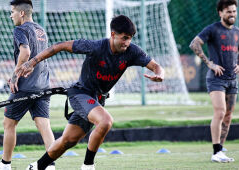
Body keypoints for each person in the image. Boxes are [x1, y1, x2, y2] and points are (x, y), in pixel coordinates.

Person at [14, 15, 165, 170]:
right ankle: (88, 166)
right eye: (124, 38)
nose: (127, 42)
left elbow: (155, 66)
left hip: (96, 100)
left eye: (130, 38)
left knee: (68, 141)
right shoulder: (95, 46)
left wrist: (160, 74)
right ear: (113, 34)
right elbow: (60, 46)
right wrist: (32, 62)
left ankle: (37, 166)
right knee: (105, 121)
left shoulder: (132, 51)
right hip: (80, 95)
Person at [0, 0, 55, 169]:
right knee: (44, 124)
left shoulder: (20, 29)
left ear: (21, 13)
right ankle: (50, 165)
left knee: (9, 123)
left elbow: (26, 52)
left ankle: (5, 164)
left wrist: (15, 75)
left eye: (13, 12)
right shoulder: (41, 30)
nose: (11, 15)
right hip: (43, 85)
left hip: (25, 86)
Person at [189, 0, 239, 163]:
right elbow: (194, 43)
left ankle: (220, 151)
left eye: (234, 11)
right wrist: (210, 64)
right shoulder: (213, 29)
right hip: (216, 80)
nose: (232, 14)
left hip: (232, 80)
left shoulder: (238, 32)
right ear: (220, 13)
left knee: (228, 115)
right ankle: (216, 151)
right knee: (220, 111)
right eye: (229, 11)